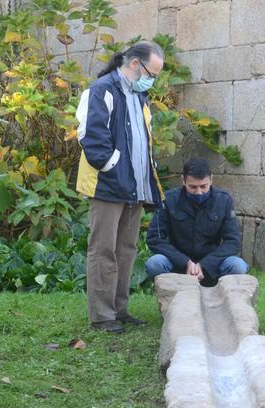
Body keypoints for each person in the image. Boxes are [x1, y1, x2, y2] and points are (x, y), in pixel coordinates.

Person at [76, 41, 166, 334]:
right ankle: (102, 316)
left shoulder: (139, 96)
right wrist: (112, 166)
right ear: (134, 64)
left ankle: (119, 309)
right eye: (151, 73)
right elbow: (91, 136)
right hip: (108, 186)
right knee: (103, 250)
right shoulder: (101, 90)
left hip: (135, 188)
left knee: (126, 249)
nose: (152, 80)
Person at [145, 158, 248, 285]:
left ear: (211, 179)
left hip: (212, 266)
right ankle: (169, 297)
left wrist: (204, 265)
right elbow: (154, 238)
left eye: (203, 186)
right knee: (155, 263)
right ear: (183, 181)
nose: (199, 192)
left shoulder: (224, 201)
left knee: (237, 266)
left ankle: (222, 297)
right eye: (193, 187)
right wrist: (186, 262)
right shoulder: (169, 200)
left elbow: (233, 242)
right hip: (178, 264)